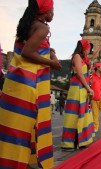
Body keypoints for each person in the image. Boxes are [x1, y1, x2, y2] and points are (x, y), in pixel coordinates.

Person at [0, 0, 62, 168]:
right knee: (26, 124)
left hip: (16, 79)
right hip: (29, 82)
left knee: (13, 124)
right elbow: (28, 53)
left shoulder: (28, 24)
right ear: (46, 11)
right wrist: (52, 63)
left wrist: (47, 50)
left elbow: (28, 48)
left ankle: (20, 160)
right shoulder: (42, 28)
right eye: (52, 10)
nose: (53, 13)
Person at [61, 40, 95, 150]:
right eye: (89, 47)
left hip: (83, 89)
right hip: (77, 88)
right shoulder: (77, 56)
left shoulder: (84, 59)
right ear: (84, 47)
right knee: (74, 115)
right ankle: (69, 142)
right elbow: (80, 75)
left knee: (83, 114)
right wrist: (89, 88)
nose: (89, 50)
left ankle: (81, 140)